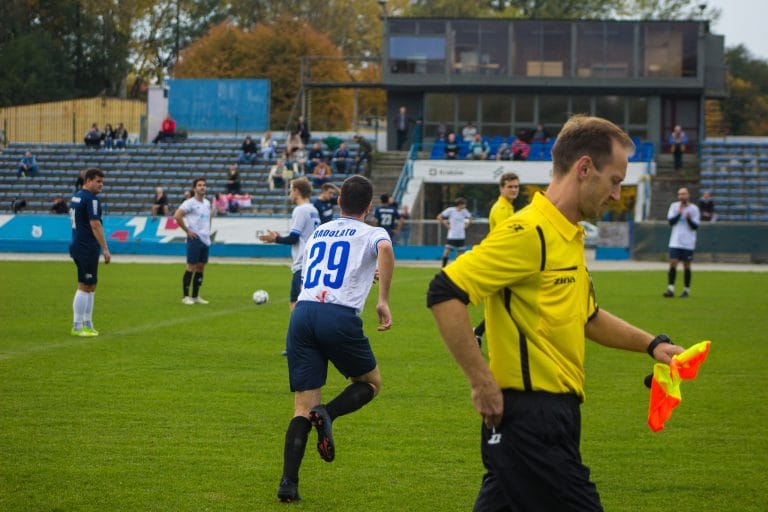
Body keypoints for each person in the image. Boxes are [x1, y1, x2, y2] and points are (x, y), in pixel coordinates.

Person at [426, 115, 688, 512]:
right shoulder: (529, 232)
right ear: (585, 169)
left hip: (556, 417)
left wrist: (652, 345)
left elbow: (588, 317)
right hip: (531, 418)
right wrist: (481, 382)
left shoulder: (569, 233)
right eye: (615, 180)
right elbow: (444, 291)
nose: (617, 194)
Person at [276, 175, 394, 503]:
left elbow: (333, 266)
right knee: (370, 383)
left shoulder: (321, 231)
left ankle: (288, 484)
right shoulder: (373, 231)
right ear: (369, 207)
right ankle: (328, 413)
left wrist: (364, 274)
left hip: (302, 313)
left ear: (339, 201)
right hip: (337, 316)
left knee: (301, 406)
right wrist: (382, 298)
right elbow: (384, 249)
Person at [258, 177, 320, 313]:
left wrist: (276, 239)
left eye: (291, 190)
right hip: (313, 261)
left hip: (302, 263)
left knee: (295, 303)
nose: (290, 194)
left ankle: (299, 334)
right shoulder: (313, 209)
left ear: (296, 191)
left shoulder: (300, 210)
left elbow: (293, 238)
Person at [474, 172, 521, 346]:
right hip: (502, 262)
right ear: (502, 188)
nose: (513, 190)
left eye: (516, 186)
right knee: (507, 304)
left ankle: (477, 334)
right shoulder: (501, 209)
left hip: (506, 261)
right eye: (510, 187)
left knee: (506, 304)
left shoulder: (508, 206)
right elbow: (507, 238)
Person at [68, 168, 111, 337]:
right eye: (98, 181)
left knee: (91, 286)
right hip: (85, 246)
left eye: (102, 181)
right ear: (88, 181)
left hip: (79, 243)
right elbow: (95, 225)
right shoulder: (91, 200)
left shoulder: (77, 196)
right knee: (85, 286)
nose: (101, 185)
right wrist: (105, 249)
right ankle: (78, 326)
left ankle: (88, 323)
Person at [174, 178, 212, 305]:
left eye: (204, 185)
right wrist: (187, 231)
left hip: (205, 239)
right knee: (191, 266)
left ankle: (195, 296)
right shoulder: (189, 203)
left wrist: (208, 233)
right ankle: (185, 297)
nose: (202, 187)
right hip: (194, 239)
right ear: (194, 188)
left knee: (201, 267)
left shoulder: (207, 203)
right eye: (199, 185)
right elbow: (177, 215)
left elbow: (208, 219)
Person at [663, 187, 700, 298]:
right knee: (673, 263)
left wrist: (688, 218)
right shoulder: (674, 206)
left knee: (686, 265)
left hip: (688, 242)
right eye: (680, 194)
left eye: (684, 194)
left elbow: (695, 226)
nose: (682, 196)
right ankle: (670, 289)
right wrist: (679, 214)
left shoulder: (694, 209)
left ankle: (686, 290)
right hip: (675, 241)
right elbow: (671, 222)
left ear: (688, 195)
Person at [437, 197, 472, 267]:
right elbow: (439, 217)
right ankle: (443, 266)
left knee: (459, 252)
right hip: (452, 235)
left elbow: (470, 218)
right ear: (459, 204)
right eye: (463, 204)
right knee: (447, 251)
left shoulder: (464, 211)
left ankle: (456, 267)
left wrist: (466, 225)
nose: (465, 206)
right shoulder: (450, 210)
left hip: (461, 235)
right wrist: (446, 224)